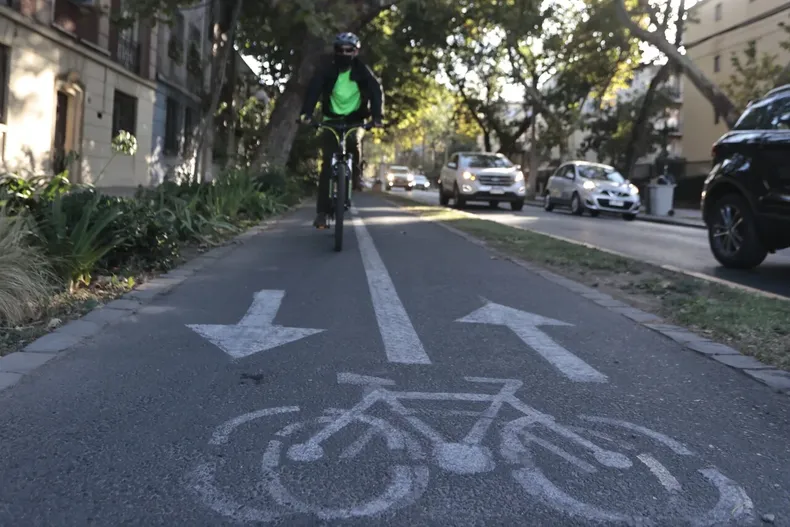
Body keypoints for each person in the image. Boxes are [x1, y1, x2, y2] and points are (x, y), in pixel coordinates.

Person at [298, 32, 384, 228]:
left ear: (355, 52)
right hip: (331, 120)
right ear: (335, 51)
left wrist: (377, 117)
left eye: (349, 50)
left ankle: (355, 176)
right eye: (340, 50)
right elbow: (314, 89)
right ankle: (321, 212)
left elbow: (375, 91)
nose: (344, 53)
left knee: (353, 142)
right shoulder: (327, 69)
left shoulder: (362, 70)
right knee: (327, 164)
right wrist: (307, 114)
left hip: (355, 119)